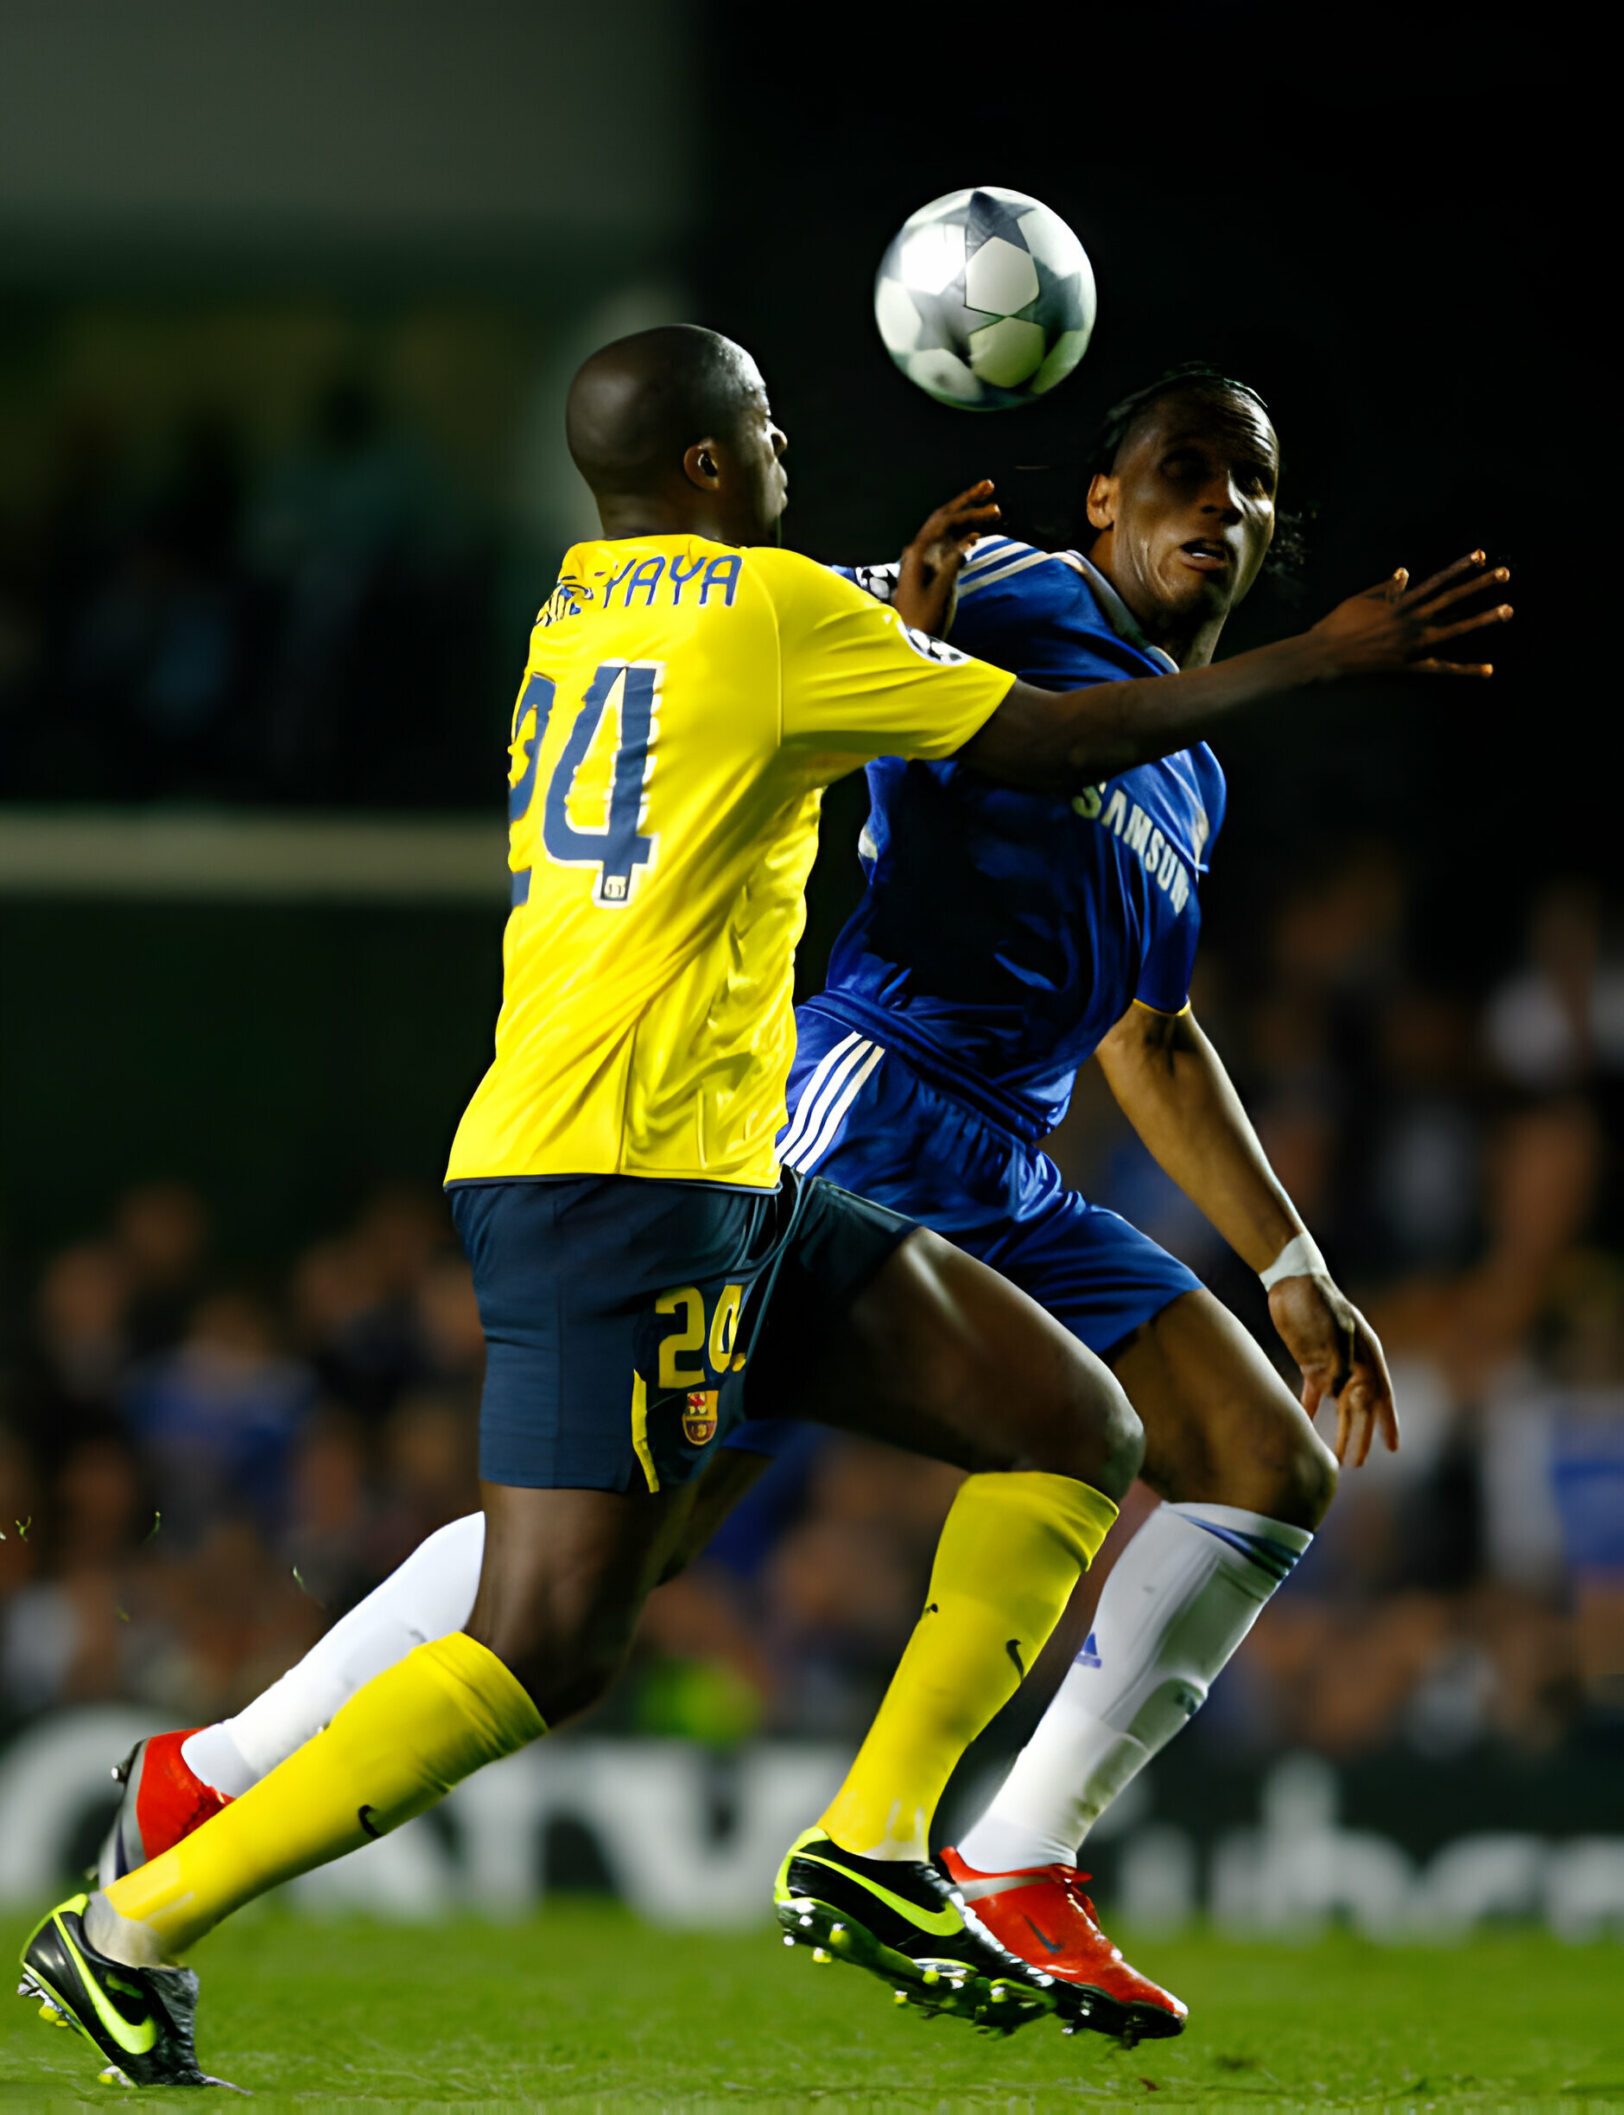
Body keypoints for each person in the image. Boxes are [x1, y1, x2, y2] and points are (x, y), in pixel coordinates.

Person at [36, 337, 1509, 2087]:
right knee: (590, 1580)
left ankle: (978, 1856)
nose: (1225, 501)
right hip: (808, 1114)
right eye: (1188, 465)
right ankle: (189, 1831)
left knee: (1189, 1447)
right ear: (1102, 498)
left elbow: (1150, 1029)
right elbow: (1015, 728)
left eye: (1253, 482)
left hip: (929, 1155)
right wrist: (1306, 661)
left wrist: (1288, 1256)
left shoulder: (622, 604)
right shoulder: (992, 594)